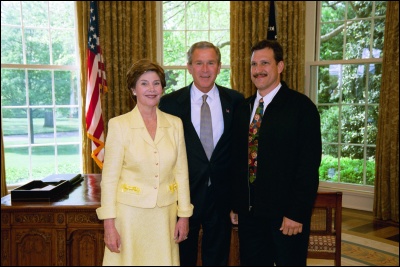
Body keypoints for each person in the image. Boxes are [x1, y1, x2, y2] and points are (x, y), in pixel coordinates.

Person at [230, 39, 322, 266]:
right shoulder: (244, 109)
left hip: (286, 218)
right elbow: (237, 160)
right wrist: (236, 204)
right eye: (253, 64)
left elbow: (308, 165)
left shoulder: (302, 108)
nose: (258, 70)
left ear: (280, 66)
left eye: (265, 63)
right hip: (250, 217)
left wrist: (296, 213)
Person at [96, 59, 193, 266]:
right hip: (129, 218)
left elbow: (182, 173)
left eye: (156, 83)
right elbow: (110, 179)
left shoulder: (175, 124)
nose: (151, 89)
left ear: (162, 88)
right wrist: (109, 225)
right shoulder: (119, 125)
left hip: (164, 216)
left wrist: (184, 216)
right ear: (133, 89)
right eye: (144, 83)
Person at [159, 41, 245, 266]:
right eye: (199, 63)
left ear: (219, 66)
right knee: (181, 257)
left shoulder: (236, 102)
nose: (205, 69)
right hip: (182, 197)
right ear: (189, 67)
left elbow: (239, 154)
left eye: (211, 63)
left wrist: (238, 200)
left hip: (221, 198)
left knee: (218, 258)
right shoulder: (168, 105)